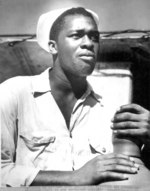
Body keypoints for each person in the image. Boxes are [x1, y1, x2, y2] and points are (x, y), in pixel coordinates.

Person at [1, 7, 150, 187]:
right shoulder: (14, 93)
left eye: (94, 37)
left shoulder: (110, 108)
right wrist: (74, 178)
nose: (88, 43)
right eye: (76, 35)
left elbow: (130, 173)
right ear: (52, 46)